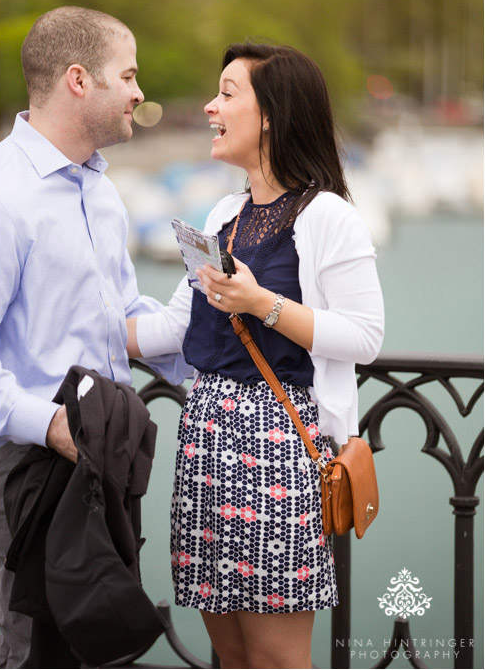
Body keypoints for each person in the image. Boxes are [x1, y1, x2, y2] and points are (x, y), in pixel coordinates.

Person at [127, 43, 385, 668]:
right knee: (234, 656)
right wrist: (71, 334)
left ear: (271, 113)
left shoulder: (328, 216)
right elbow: (174, 325)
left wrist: (261, 301)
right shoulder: (224, 214)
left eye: (227, 93)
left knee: (277, 660)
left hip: (277, 447)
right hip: (208, 442)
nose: (211, 107)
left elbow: (365, 336)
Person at [0, 6, 192, 668]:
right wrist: (49, 422)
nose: (141, 92)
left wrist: (210, 329)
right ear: (79, 80)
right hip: (34, 472)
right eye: (129, 75)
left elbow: (123, 316)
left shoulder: (102, 190)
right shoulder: (6, 194)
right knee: (28, 652)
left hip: (105, 458)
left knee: (93, 653)